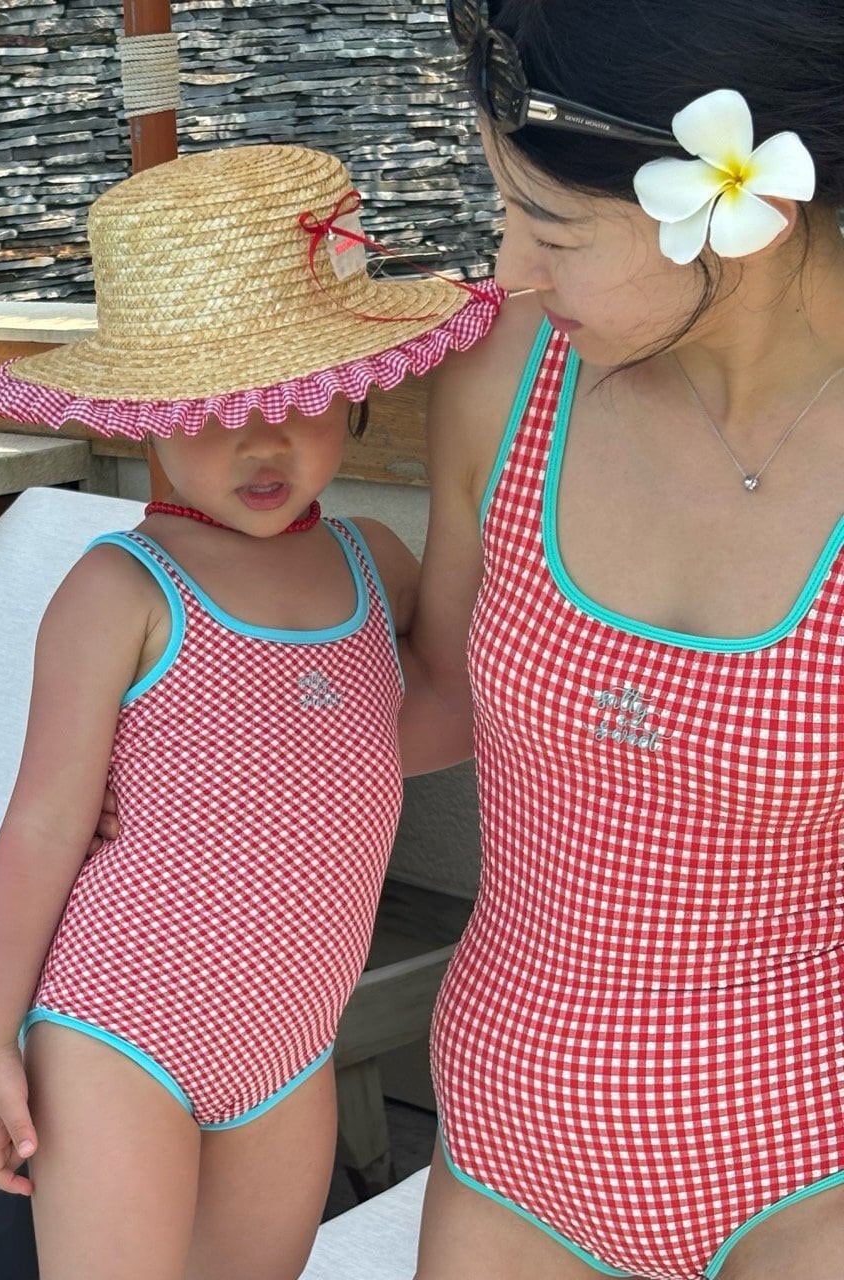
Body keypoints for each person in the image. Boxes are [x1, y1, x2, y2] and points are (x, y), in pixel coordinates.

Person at [0, 143, 501, 1280]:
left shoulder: (373, 563)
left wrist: (469, 499)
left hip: (289, 1046)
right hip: (118, 1023)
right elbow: (47, 823)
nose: (261, 443)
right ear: (144, 413)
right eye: (214, 409)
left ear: (351, 390)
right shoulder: (122, 588)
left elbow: (434, 722)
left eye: (293, 400)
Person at [396, 3, 844, 1279]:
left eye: (549, 230)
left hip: (807, 1162)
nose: (505, 270)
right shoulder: (503, 378)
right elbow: (432, 703)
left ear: (741, 207)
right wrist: (251, 642)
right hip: (505, 1142)